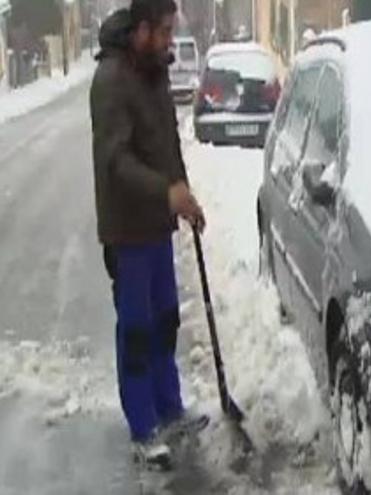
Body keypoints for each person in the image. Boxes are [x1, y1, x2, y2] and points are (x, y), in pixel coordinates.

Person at [90, 0, 207, 468]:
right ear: (139, 30)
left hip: (157, 225)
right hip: (127, 229)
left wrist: (185, 196)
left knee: (165, 321)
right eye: (161, 31)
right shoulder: (111, 81)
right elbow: (115, 162)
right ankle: (142, 426)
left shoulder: (153, 69)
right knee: (137, 330)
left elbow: (167, 145)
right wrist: (166, 193)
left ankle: (169, 407)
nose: (167, 40)